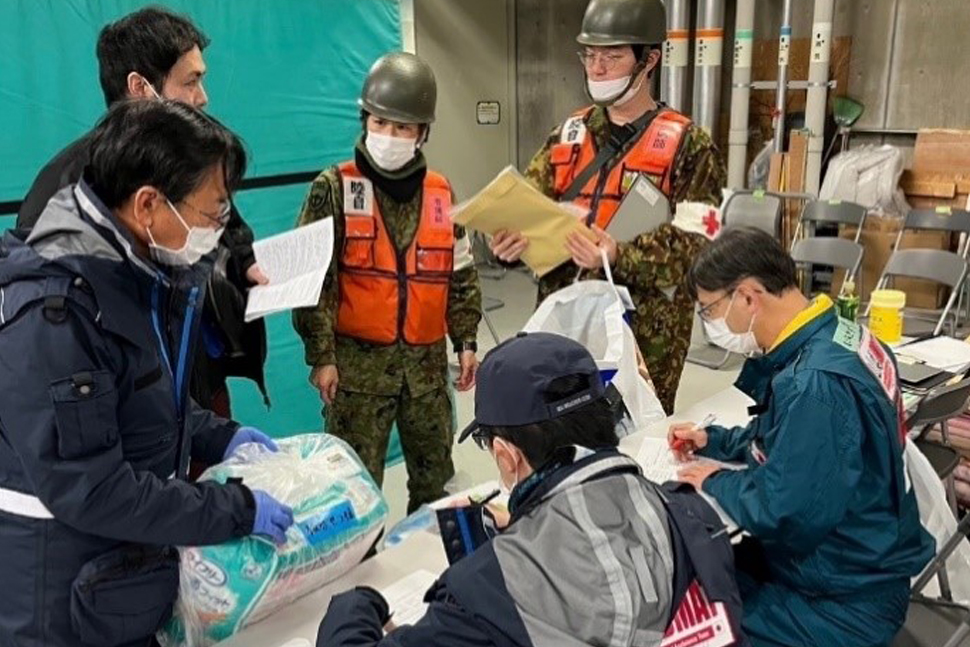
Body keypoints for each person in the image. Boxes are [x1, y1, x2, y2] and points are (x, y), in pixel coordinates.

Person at [0, 100, 294, 647]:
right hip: (60, 598)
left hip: (119, 578)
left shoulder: (140, 272)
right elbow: (93, 488)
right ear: (149, 204)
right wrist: (233, 510)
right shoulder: (54, 314)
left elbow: (140, 396)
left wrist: (217, 434)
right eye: (212, 213)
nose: (220, 229)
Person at [315, 332, 746, 646]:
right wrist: (532, 523)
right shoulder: (688, 512)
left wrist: (357, 602)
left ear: (506, 455)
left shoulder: (484, 592)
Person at [669, 227, 935, 646]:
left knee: (693, 623)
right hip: (859, 563)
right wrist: (715, 440)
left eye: (709, 310)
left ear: (748, 296)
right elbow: (787, 440)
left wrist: (714, 479)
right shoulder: (842, 336)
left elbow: (785, 513)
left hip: (843, 600)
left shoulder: (813, 384)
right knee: (710, 572)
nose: (709, 325)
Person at [16, 6, 269, 418]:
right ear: (140, 86)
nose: (203, 98)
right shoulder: (65, 188)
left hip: (201, 391)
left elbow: (227, 225)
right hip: (126, 411)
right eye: (191, 82)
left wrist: (243, 263)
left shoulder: (194, 161)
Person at [489, 0, 726, 415]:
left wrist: (619, 254)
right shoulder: (568, 135)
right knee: (561, 429)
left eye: (612, 57)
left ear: (648, 60)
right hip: (565, 318)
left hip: (645, 333)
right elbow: (530, 207)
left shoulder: (690, 145)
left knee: (635, 436)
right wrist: (512, 245)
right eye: (590, 56)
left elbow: (700, 246)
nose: (596, 69)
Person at [293, 52, 482, 513]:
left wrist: (466, 340)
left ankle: (435, 577)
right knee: (351, 495)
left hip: (426, 375)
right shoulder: (333, 187)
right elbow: (313, 283)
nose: (390, 136)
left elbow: (458, 272)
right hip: (357, 377)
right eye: (380, 122)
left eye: (403, 127)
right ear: (365, 120)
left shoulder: (441, 193)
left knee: (436, 486)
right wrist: (322, 358)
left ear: (422, 133)